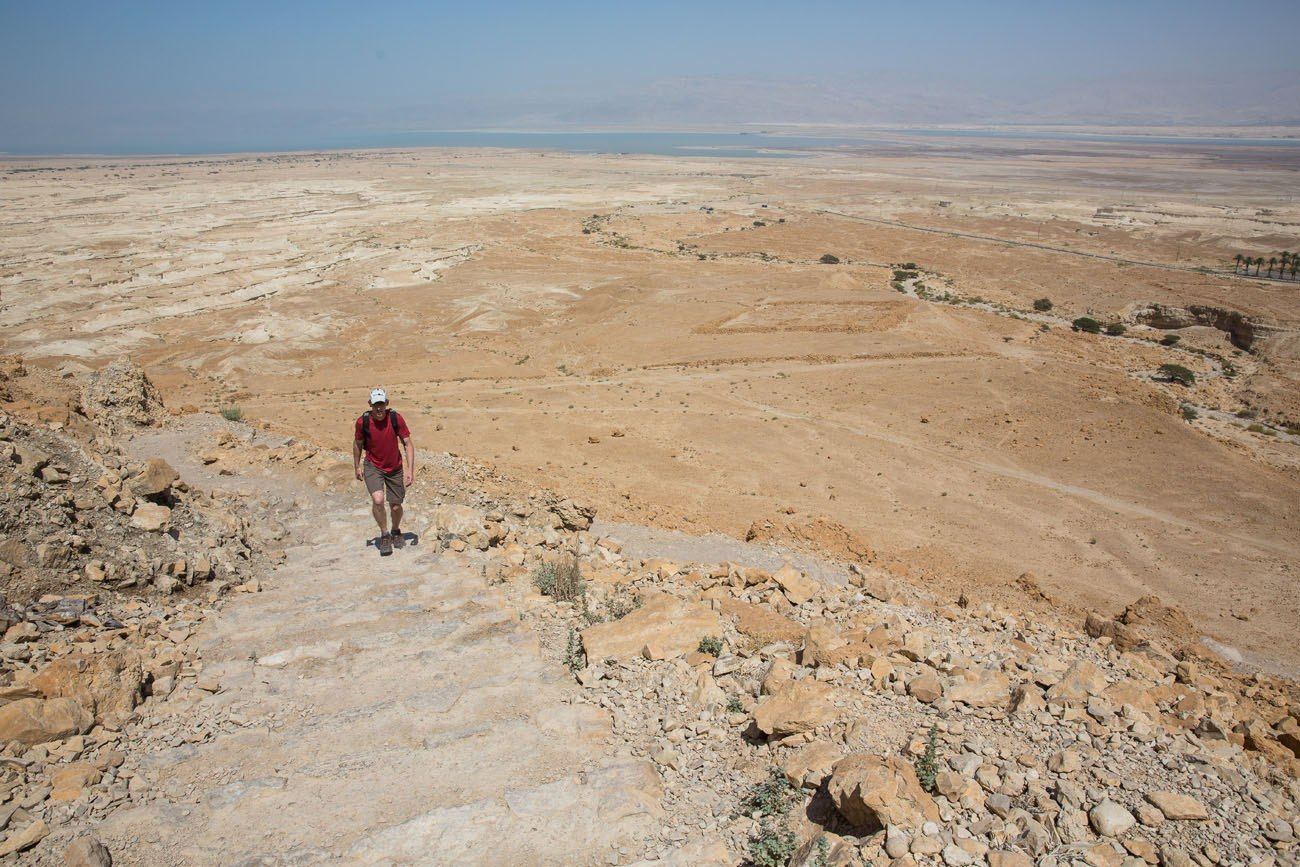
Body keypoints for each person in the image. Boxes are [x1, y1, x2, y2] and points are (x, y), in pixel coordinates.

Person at [353, 388, 414, 555]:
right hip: (373, 465)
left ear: (386, 404)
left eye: (381, 404)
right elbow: (358, 444)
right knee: (378, 499)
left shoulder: (395, 418)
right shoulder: (362, 422)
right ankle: (384, 534)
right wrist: (357, 466)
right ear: (370, 405)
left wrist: (410, 469)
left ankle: (395, 531)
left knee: (395, 506)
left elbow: (407, 443)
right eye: (375, 405)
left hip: (394, 466)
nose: (379, 408)